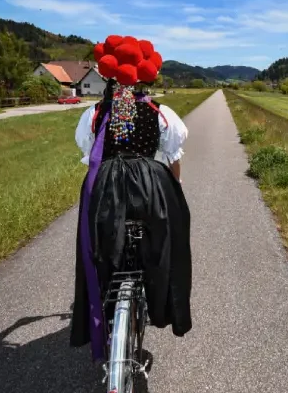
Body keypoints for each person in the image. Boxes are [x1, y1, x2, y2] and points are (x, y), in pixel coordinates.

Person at [69, 35, 192, 361]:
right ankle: (166, 299)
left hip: (106, 186)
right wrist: (172, 193)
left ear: (109, 77)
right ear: (142, 77)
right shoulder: (160, 112)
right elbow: (173, 157)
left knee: (96, 245)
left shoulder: (96, 114)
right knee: (173, 233)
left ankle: (105, 296)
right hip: (150, 184)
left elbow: (88, 154)